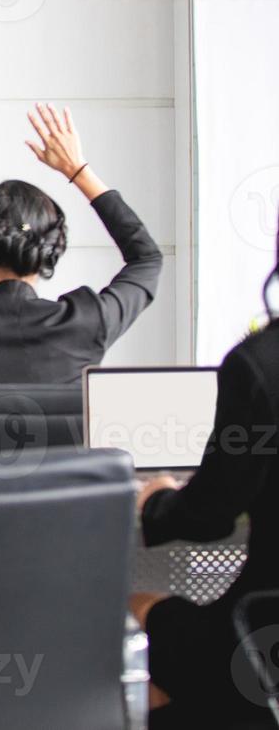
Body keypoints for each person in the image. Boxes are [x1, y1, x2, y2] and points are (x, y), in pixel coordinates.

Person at [0, 104, 162, 442]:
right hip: (69, 495)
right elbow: (147, 259)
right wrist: (78, 171)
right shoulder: (89, 320)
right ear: (51, 248)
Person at [132, 231, 279, 727]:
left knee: (141, 604)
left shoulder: (260, 364)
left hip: (258, 638)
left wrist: (157, 503)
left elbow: (210, 516)